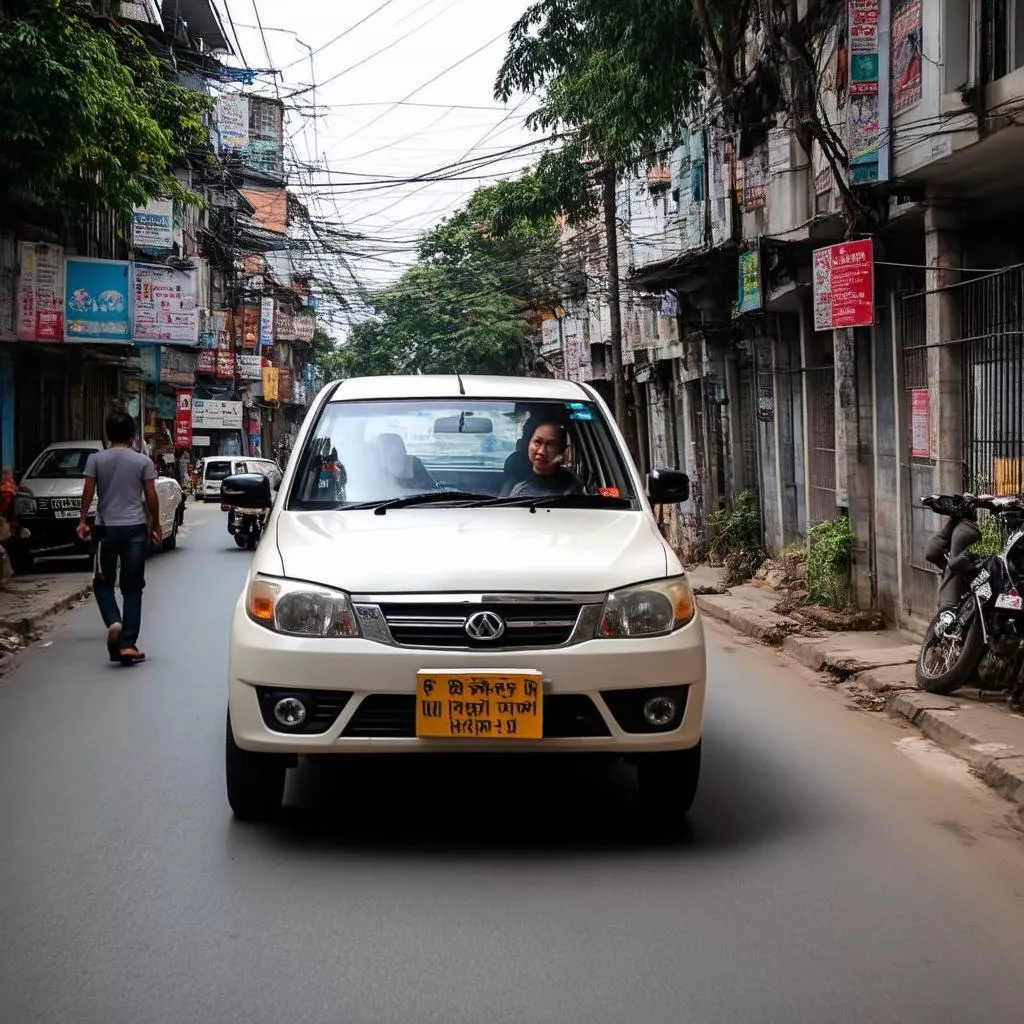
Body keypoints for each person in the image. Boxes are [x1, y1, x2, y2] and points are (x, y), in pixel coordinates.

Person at [76, 411, 162, 666]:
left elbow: (88, 491)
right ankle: (127, 644)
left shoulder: (96, 459)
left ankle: (114, 620)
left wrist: (82, 520)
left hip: (105, 529)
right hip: (135, 528)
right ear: (133, 436)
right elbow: (150, 495)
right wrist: (155, 524)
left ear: (108, 435)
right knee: (133, 586)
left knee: (103, 581)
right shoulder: (142, 462)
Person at [506, 421, 583, 498]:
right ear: (528, 443)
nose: (541, 451)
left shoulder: (574, 489)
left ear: (562, 449)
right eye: (537, 442)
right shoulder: (518, 492)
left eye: (550, 444)